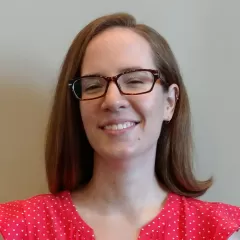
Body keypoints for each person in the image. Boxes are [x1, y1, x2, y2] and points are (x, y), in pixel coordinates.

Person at [0, 12, 239, 240]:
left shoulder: (222, 230)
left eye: (135, 81)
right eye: (93, 86)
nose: (113, 101)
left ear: (169, 102)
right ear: (77, 108)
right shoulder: (19, 226)